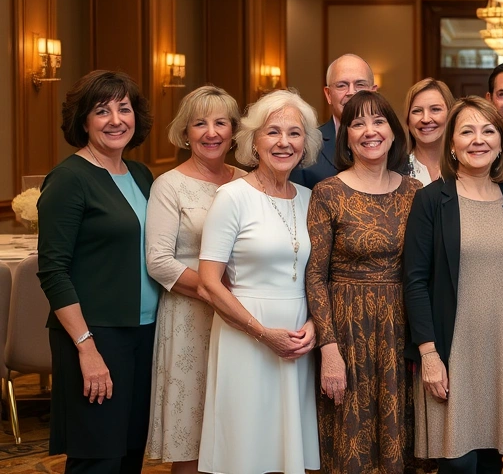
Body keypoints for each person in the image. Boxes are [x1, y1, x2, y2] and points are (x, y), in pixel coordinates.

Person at [37, 70, 158, 474]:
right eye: (101, 111)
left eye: (123, 109)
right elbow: (53, 270)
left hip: (144, 334)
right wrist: (86, 348)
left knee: (129, 455)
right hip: (94, 336)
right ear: (83, 121)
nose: (115, 120)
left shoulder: (141, 175)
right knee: (98, 460)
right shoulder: (69, 179)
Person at [197, 89, 322, 474]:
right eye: (273, 132)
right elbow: (208, 283)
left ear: (307, 144)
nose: (284, 142)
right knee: (246, 448)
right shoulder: (231, 197)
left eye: (295, 133)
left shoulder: (309, 197)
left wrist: (316, 325)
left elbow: (317, 275)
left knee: (286, 450)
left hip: (299, 340)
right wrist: (262, 332)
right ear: (254, 140)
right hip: (246, 336)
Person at [404, 96, 503, 474]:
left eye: (488, 130)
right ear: (453, 144)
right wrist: (428, 354)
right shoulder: (431, 199)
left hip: (502, 350)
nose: (479, 140)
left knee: (493, 460)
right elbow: (414, 281)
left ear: (501, 142)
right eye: (467, 131)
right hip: (450, 352)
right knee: (458, 463)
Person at [305, 91, 420, 473]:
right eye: (357, 123)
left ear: (393, 131)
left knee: (398, 438)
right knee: (349, 442)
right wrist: (329, 348)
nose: (369, 131)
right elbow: (315, 277)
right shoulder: (328, 192)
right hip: (347, 330)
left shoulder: (414, 192)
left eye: (379, 121)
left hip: (399, 333)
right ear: (347, 136)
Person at [145, 86, 244, 474]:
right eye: (199, 123)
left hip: (239, 317)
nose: (211, 132)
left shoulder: (247, 181)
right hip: (189, 319)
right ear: (185, 132)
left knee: (236, 427)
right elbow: (158, 262)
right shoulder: (169, 185)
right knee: (191, 431)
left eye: (220, 122)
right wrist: (212, 289)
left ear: (234, 131)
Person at [291, 53, 378, 188]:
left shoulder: (387, 143)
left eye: (360, 84)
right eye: (342, 85)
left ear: (373, 93)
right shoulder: (306, 146)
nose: (351, 92)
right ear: (328, 94)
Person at [404, 77, 455, 185]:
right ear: (408, 120)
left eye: (435, 109)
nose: (426, 119)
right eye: (417, 111)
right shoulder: (396, 172)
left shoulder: (466, 167)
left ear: (451, 115)